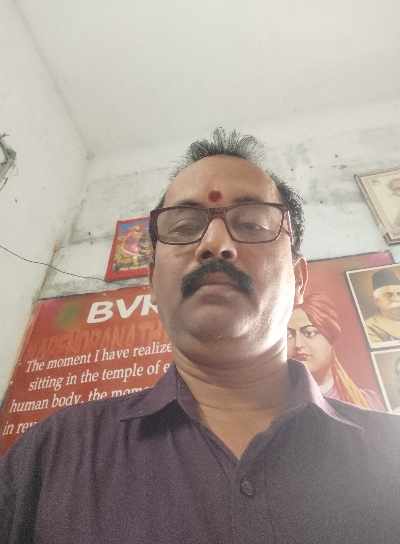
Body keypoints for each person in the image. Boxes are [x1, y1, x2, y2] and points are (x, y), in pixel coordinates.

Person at [1, 128, 400, 543]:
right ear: (152, 281)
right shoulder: (52, 457)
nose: (215, 244)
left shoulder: (392, 454)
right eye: (184, 226)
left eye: (251, 223)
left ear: (299, 279)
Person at [288, 292, 384, 409]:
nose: (298, 344)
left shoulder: (368, 401)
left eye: (309, 333)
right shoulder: (277, 406)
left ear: (331, 338)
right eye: (289, 335)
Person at [365, 268, 400, 344]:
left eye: (399, 293)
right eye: (388, 294)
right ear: (376, 301)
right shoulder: (369, 326)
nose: (396, 298)